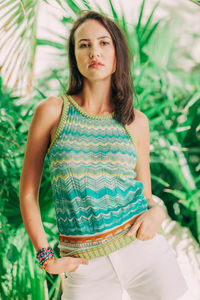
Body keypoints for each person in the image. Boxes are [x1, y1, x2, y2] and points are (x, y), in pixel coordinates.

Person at [19, 10, 192, 300]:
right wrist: (46, 257)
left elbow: (145, 193)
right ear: (74, 56)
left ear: (117, 55)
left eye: (103, 43)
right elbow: (27, 194)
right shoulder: (52, 112)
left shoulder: (136, 122)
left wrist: (158, 211)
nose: (94, 52)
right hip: (83, 266)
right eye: (83, 45)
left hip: (144, 251)